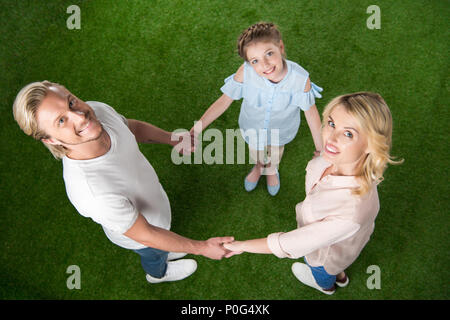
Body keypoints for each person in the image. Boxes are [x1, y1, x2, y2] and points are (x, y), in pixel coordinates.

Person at [12, 81, 234, 284]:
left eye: (71, 102)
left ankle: (168, 249)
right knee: (153, 253)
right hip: (144, 237)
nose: (80, 116)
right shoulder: (92, 193)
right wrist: (202, 248)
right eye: (61, 121)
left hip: (155, 205)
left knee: (163, 241)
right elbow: (147, 233)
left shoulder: (95, 112)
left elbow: (130, 128)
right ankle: (158, 273)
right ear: (50, 139)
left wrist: (171, 138)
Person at [224, 92, 403, 295]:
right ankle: (340, 277)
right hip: (345, 245)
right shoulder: (347, 163)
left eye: (349, 134)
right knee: (338, 266)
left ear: (371, 144)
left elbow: (288, 243)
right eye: (331, 123)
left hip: (323, 257)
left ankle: (327, 286)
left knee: (323, 272)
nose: (330, 138)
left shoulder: (351, 212)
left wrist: (240, 246)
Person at [190, 22, 323, 196]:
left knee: (276, 152)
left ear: (280, 47)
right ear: (249, 63)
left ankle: (271, 169)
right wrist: (197, 128)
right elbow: (224, 101)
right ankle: (259, 166)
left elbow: (311, 114)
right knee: (256, 150)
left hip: (281, 130)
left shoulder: (300, 78)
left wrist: (321, 150)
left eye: (269, 53)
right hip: (252, 127)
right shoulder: (246, 72)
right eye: (255, 61)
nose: (265, 64)